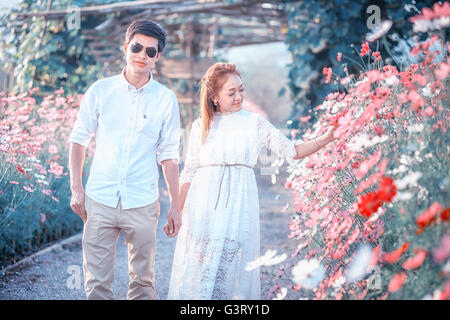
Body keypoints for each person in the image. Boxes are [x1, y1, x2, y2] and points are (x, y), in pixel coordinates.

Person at [167, 62, 337, 300]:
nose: (238, 97)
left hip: (238, 205)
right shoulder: (200, 126)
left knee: (228, 270)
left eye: (241, 90)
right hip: (202, 206)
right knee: (199, 273)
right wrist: (176, 209)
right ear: (214, 97)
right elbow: (189, 173)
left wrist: (327, 138)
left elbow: (293, 150)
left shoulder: (253, 123)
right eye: (231, 93)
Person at [68, 20, 182, 300]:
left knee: (143, 284)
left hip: (142, 201)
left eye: (150, 51)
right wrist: (77, 189)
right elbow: (78, 140)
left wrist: (176, 206)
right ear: (125, 48)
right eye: (136, 47)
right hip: (100, 198)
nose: (142, 55)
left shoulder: (166, 99)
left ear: (158, 56)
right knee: (96, 284)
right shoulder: (100, 91)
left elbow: (168, 156)